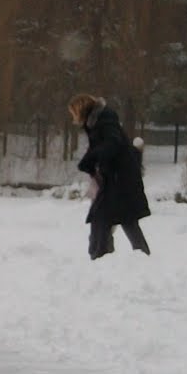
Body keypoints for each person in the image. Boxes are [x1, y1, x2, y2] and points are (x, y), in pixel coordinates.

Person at [68, 93, 150, 259]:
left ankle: (102, 255)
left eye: (74, 113)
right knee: (124, 218)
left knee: (107, 216)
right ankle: (136, 255)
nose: (74, 118)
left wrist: (92, 159)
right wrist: (89, 161)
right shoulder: (98, 123)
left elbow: (112, 145)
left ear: (81, 110)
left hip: (119, 179)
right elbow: (103, 147)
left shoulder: (104, 121)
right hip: (117, 178)